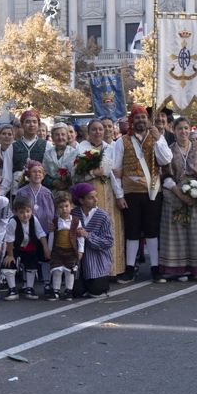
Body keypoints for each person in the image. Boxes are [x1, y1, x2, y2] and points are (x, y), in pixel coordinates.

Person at [112, 105, 170, 282]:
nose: (140, 121)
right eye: (137, 118)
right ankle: (130, 268)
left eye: (143, 118)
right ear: (132, 120)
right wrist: (119, 195)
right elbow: (115, 170)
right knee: (132, 231)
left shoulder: (157, 139)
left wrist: (159, 138)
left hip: (153, 192)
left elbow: (166, 159)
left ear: (148, 120)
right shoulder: (122, 141)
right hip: (130, 193)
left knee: (152, 231)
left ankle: (155, 267)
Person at [157, 116, 197, 282]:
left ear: (190, 129)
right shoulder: (169, 150)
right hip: (175, 191)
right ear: (174, 131)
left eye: (185, 128)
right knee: (178, 233)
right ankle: (178, 269)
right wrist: (179, 193)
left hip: (196, 190)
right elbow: (166, 175)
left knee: (196, 233)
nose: (183, 131)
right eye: (179, 128)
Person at [73, 119, 125, 278]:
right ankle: (93, 268)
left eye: (100, 129)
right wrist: (92, 174)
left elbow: (113, 175)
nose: (97, 132)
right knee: (92, 228)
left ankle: (112, 268)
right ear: (88, 132)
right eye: (94, 129)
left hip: (107, 191)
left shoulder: (111, 147)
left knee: (109, 228)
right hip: (89, 190)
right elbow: (75, 174)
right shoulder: (81, 148)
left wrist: (119, 195)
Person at [0, 195, 47, 299]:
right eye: (22, 212)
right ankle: (12, 289)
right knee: (9, 263)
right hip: (14, 247)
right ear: (15, 212)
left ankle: (29, 288)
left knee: (32, 263)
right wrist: (10, 255)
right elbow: (9, 240)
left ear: (31, 210)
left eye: (28, 211)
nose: (25, 215)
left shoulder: (34, 219)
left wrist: (46, 249)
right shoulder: (13, 222)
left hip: (29, 246)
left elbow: (41, 234)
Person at [72, 182, 114, 297]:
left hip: (96, 260)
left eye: (96, 196)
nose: (96, 200)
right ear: (81, 200)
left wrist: (88, 235)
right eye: (91, 197)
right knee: (76, 292)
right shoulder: (73, 214)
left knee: (96, 290)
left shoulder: (103, 216)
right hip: (78, 261)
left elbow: (108, 241)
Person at [46, 190, 82, 298]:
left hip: (71, 251)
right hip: (57, 250)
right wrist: (49, 249)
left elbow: (80, 237)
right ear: (57, 209)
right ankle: (56, 290)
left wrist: (81, 250)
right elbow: (52, 235)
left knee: (69, 271)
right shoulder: (55, 222)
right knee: (57, 270)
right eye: (61, 207)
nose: (64, 209)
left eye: (66, 206)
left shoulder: (76, 221)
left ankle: (68, 290)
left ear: (71, 206)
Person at [2, 110, 47, 194]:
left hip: (40, 190)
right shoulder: (13, 147)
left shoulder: (47, 145)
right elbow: (7, 174)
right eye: (28, 122)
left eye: (34, 122)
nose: (31, 124)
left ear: (38, 124)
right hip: (18, 191)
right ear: (22, 124)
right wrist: (2, 194)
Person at [42, 123, 78, 193]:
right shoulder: (47, 154)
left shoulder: (74, 153)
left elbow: (78, 174)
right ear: (52, 137)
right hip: (51, 191)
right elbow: (43, 174)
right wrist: (54, 182)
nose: (60, 137)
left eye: (63, 134)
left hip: (70, 191)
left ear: (67, 137)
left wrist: (67, 180)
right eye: (57, 135)